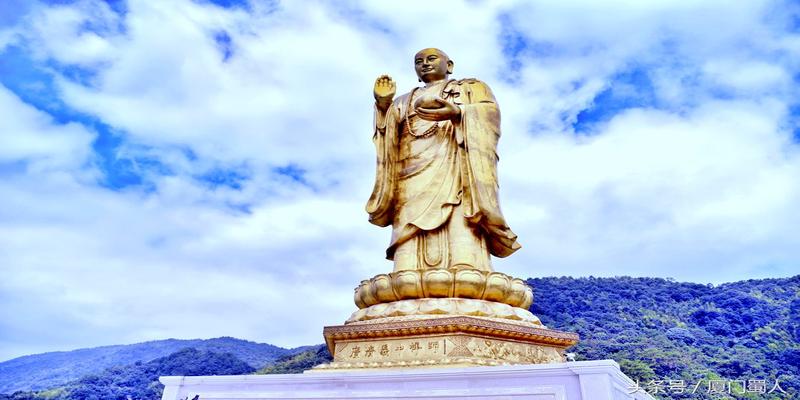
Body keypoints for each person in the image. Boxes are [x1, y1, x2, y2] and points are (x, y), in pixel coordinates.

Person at [367, 48, 520, 272]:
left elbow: (490, 115)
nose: (425, 64)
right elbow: (386, 136)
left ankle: (465, 264)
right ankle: (406, 269)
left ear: (449, 66)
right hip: (410, 172)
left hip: (455, 164)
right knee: (408, 216)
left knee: (460, 208)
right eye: (419, 61)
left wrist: (459, 113)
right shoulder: (402, 101)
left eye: (431, 59)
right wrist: (383, 105)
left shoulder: (469, 88)